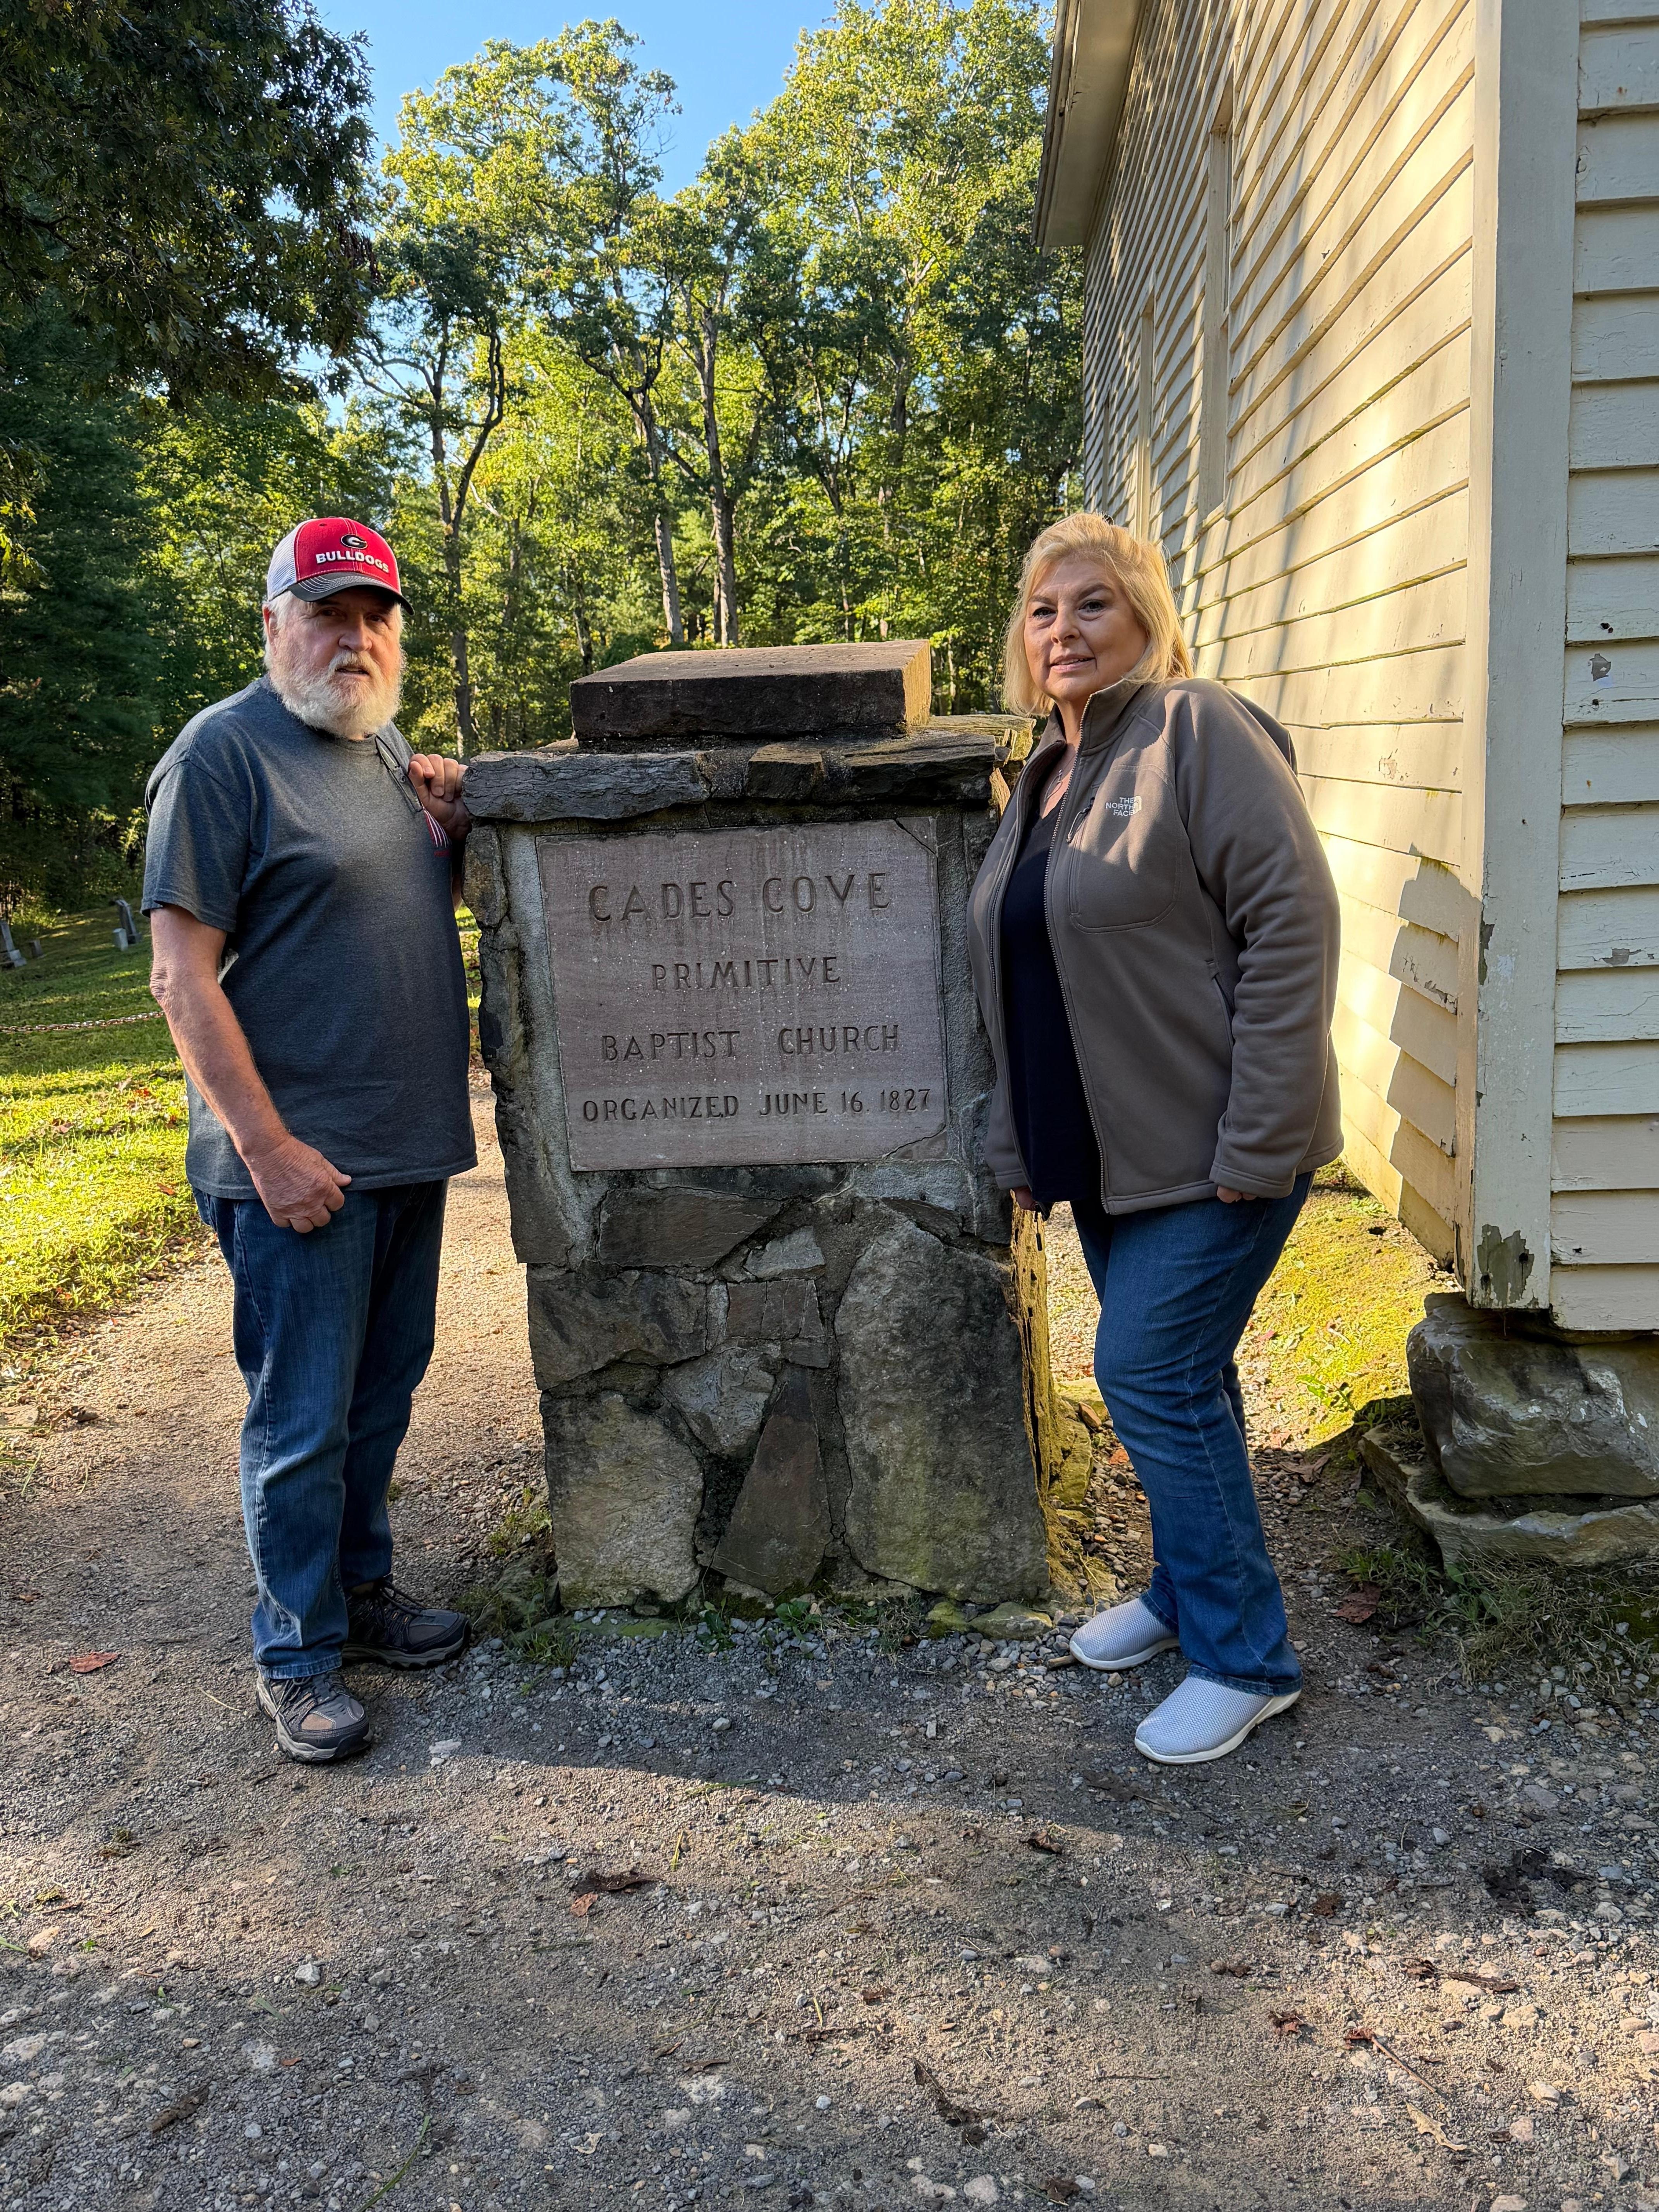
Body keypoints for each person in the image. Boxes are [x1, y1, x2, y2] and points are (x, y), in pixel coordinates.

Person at [967, 512, 1342, 1766]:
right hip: (1105, 1158)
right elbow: (1022, 972)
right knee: (1186, 1380)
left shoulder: (1199, 729)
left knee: (1144, 1373)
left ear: (1143, 622)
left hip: (1216, 1148)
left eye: (1092, 605)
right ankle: (1185, 1596)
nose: (1062, 630)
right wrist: (1014, 1136)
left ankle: (1245, 1656)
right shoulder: (1042, 770)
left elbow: (1291, 926)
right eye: (1042, 609)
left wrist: (1263, 1137)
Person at [143, 517, 478, 1765]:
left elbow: (379, 910)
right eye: (329, 613)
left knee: (380, 1397)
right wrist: (269, 1150)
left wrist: (445, 827)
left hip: (401, 1147)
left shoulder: (376, 743)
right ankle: (295, 1654)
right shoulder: (222, 755)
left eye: (376, 616)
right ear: (273, 620)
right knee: (301, 1424)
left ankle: (362, 1595)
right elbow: (183, 978)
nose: (356, 637)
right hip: (298, 1170)